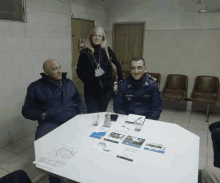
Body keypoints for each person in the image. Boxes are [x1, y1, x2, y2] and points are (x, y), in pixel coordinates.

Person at [22, 59, 86, 183]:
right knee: (50, 154)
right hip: (50, 123)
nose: (59, 71)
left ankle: (76, 176)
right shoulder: (35, 87)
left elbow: (78, 100)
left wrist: (82, 113)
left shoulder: (69, 83)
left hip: (72, 120)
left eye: (59, 67)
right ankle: (54, 177)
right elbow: (26, 111)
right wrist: (44, 115)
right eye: (54, 69)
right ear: (46, 72)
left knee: (80, 150)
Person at [77, 26, 123, 113]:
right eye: (95, 35)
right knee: (93, 115)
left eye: (99, 36)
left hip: (106, 91)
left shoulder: (107, 51)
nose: (97, 38)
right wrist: (91, 79)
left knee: (102, 114)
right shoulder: (85, 53)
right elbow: (79, 72)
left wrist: (121, 84)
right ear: (91, 37)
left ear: (102, 38)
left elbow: (118, 66)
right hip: (91, 92)